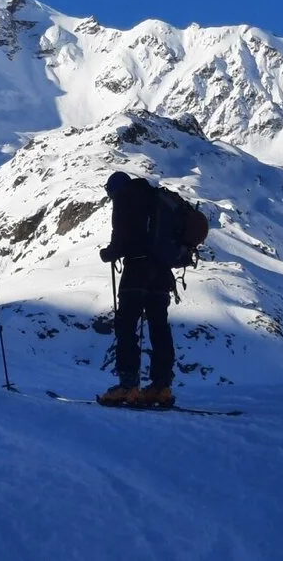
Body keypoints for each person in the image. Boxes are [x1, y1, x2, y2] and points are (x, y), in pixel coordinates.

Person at [97, 171, 177, 407]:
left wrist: (108, 254)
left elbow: (121, 238)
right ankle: (160, 386)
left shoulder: (125, 199)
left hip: (137, 271)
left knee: (127, 325)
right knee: (159, 326)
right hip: (162, 272)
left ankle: (128, 385)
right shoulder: (154, 200)